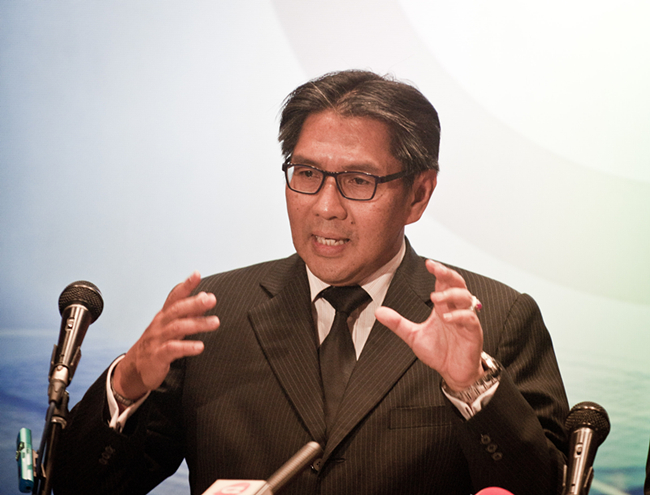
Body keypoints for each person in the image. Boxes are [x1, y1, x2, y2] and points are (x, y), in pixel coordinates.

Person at [53, 70, 569, 495]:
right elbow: (80, 485)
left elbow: (545, 487)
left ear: (418, 194)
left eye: (358, 181)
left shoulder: (494, 317)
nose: (325, 207)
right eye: (306, 173)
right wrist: (128, 383)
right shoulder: (213, 314)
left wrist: (470, 387)